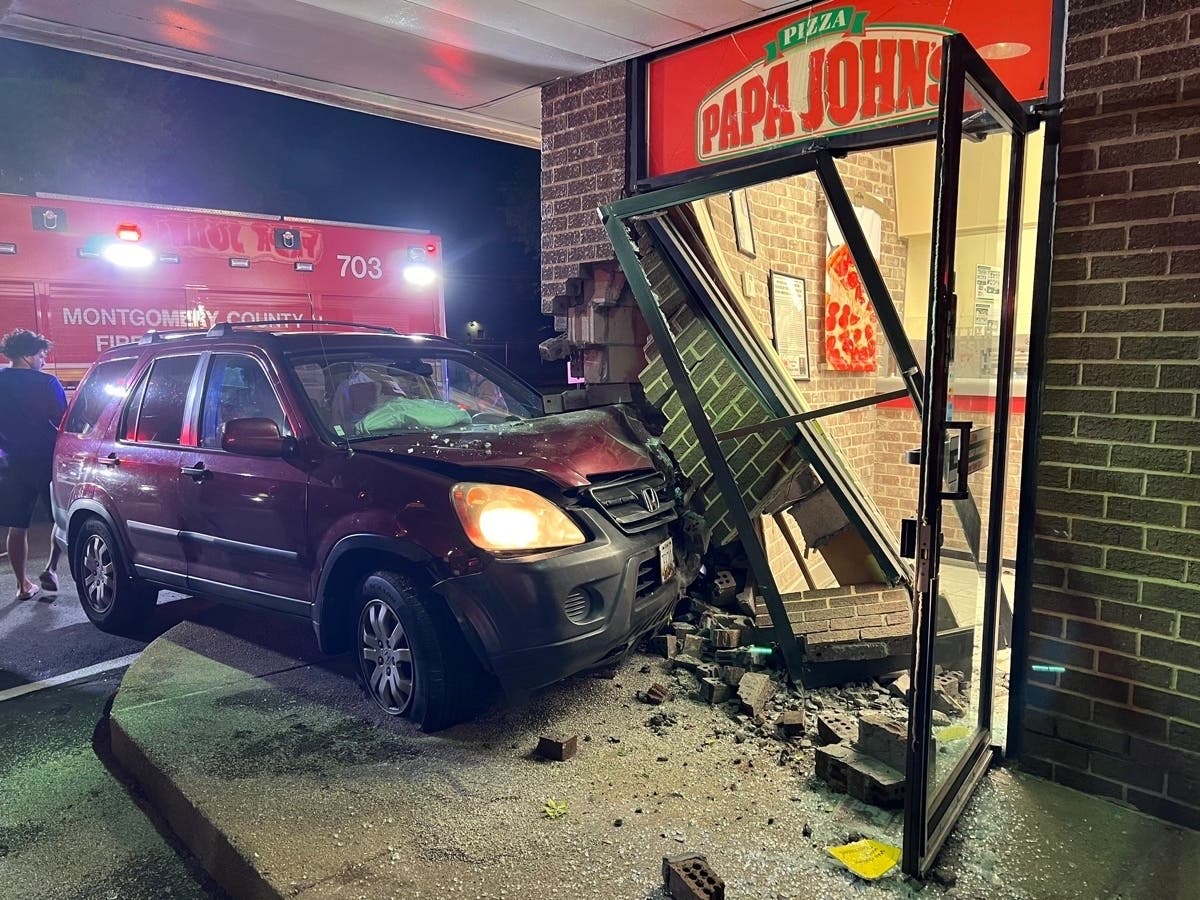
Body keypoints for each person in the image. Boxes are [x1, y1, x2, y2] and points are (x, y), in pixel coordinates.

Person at [0, 329, 68, 601]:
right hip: (47, 459)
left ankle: (22, 585)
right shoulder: (47, 383)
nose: (43, 360)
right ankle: (51, 568)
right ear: (27, 356)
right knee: (61, 517)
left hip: (12, 461)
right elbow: (64, 422)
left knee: (18, 526)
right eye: (41, 355)